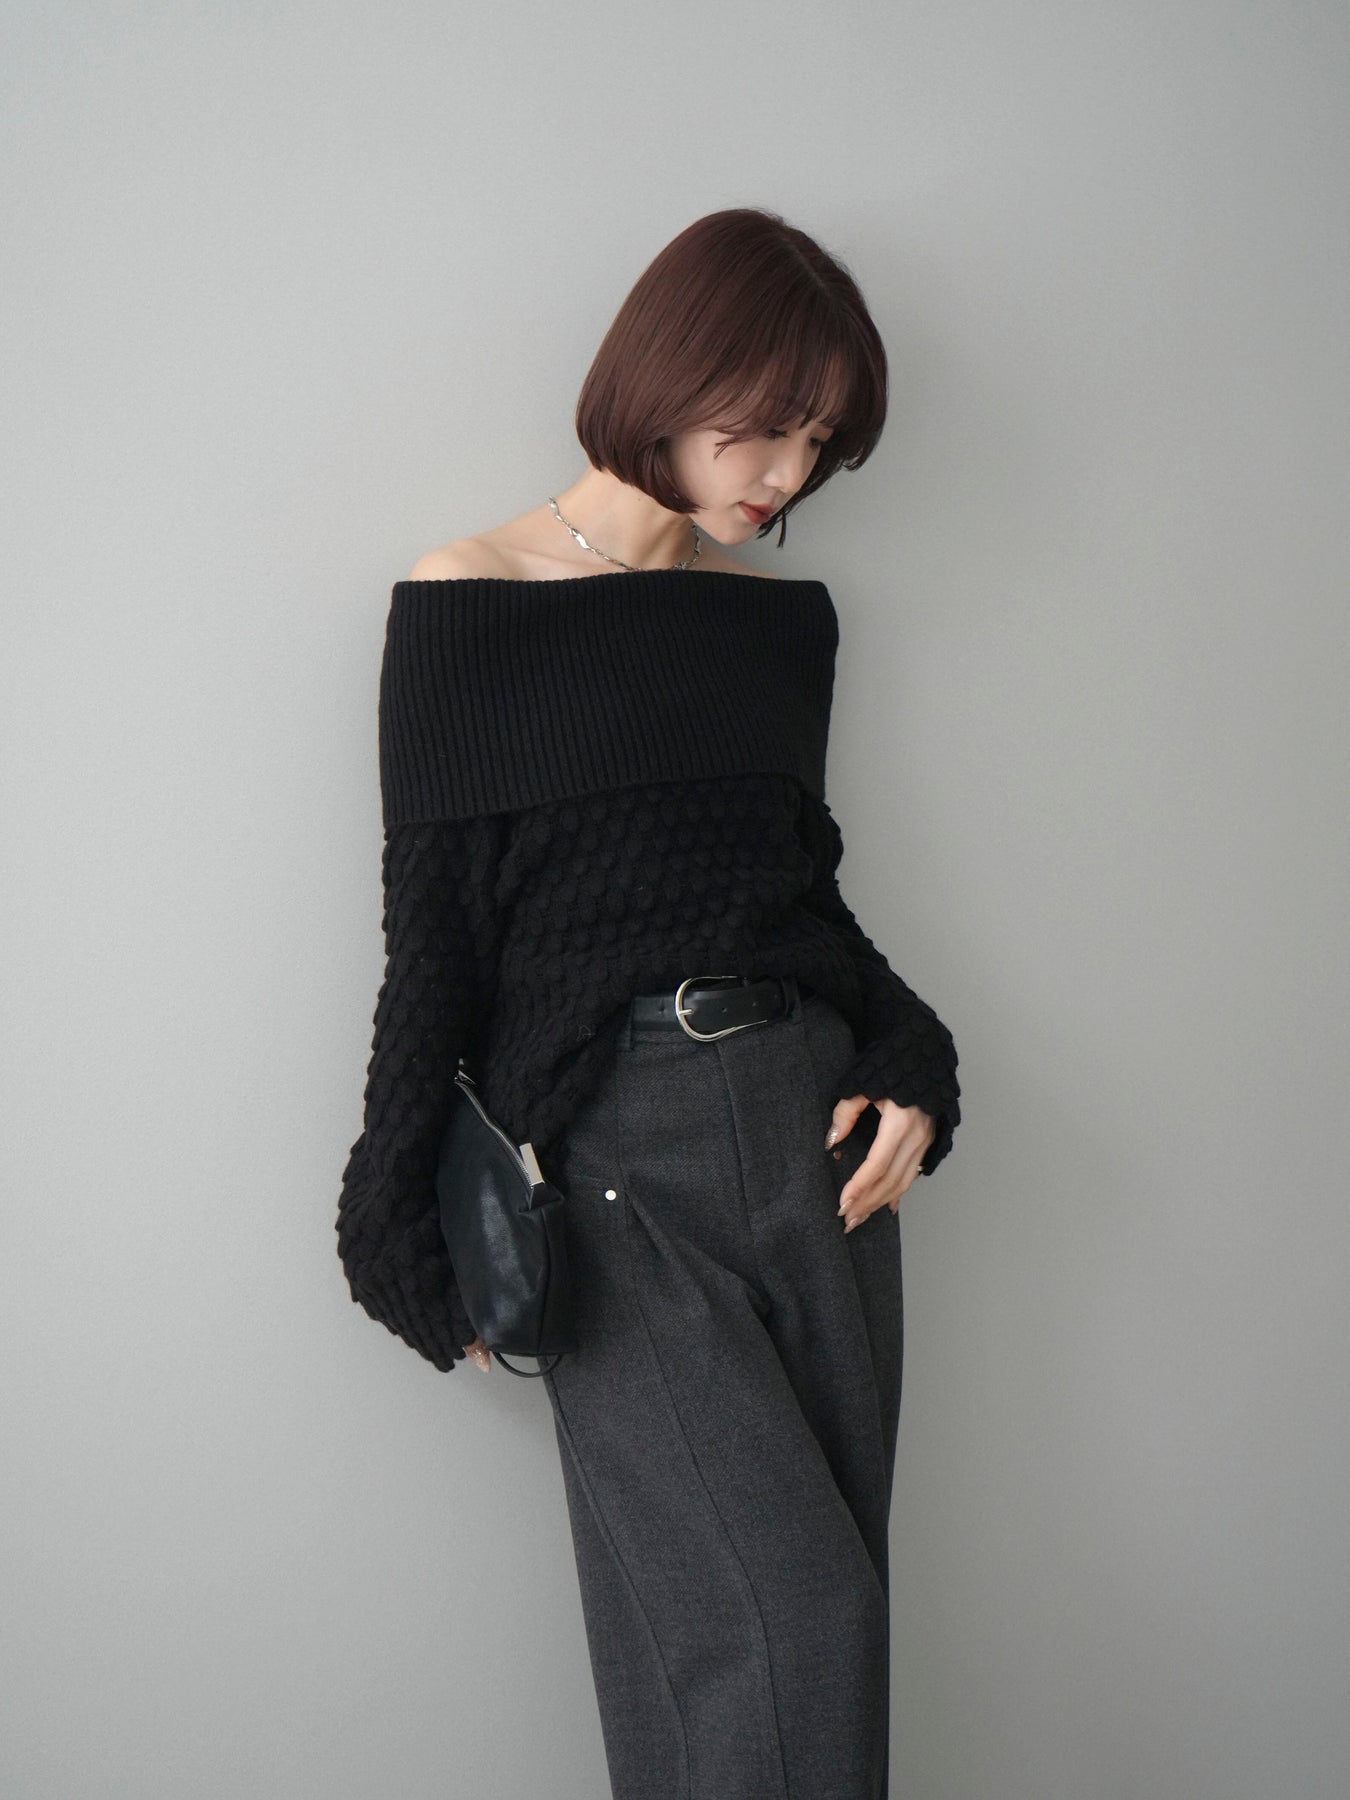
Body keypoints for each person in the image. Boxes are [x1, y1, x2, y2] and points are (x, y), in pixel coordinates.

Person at [336, 205, 961, 1800]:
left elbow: (801, 906)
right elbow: (436, 943)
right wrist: (391, 1206)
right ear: (667, 375)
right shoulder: (467, 597)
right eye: (766, 423)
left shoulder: (774, 627)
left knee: (786, 1643)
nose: (785, 473)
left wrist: (910, 1059)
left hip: (816, 1140)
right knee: (787, 1625)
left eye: (820, 444)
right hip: (614, 1156)